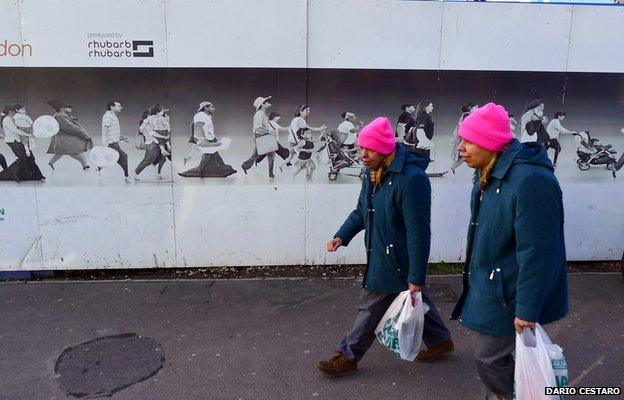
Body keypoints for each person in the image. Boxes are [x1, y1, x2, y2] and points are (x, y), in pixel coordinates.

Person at [316, 117, 453, 378]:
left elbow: (419, 232)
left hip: (396, 259)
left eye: (370, 149)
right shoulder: (372, 172)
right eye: (360, 148)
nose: (363, 154)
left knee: (370, 307)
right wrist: (342, 236)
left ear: (386, 149)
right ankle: (440, 341)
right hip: (380, 250)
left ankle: (348, 356)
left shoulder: (412, 180)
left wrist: (416, 276)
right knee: (414, 300)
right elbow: (361, 212)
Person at [450, 103, 568, 400]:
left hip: (514, 291)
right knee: (505, 359)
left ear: (490, 143)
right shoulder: (486, 172)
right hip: (494, 285)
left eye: (468, 141)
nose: (460, 148)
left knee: (487, 356)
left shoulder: (531, 181)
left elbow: (538, 252)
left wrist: (527, 310)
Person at [178, 101, 236, 178]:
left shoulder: (206, 117)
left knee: (215, 155)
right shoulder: (200, 115)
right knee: (208, 155)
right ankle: (200, 170)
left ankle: (223, 169)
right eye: (211, 107)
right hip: (204, 140)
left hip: (208, 140)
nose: (214, 109)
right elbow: (198, 128)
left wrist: (214, 139)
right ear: (205, 107)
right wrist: (201, 139)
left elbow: (195, 126)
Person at [0, 104, 45, 181]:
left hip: (19, 141)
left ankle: (38, 176)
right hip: (13, 141)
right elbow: (14, 130)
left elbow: (21, 128)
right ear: (10, 111)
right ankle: (14, 175)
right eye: (16, 111)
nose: (17, 112)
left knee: (29, 158)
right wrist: (27, 134)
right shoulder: (7, 119)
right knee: (23, 158)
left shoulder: (13, 119)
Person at [46, 99, 92, 170]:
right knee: (74, 152)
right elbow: (70, 127)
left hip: (62, 137)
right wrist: (83, 133)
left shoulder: (61, 115)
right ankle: (85, 165)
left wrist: (73, 119)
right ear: (61, 108)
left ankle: (51, 163)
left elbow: (68, 123)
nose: (70, 108)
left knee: (61, 152)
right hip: (64, 138)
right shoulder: (61, 115)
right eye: (68, 107)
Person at [280, 104, 327, 170]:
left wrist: (319, 129)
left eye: (309, 110)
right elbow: (302, 130)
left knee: (291, 156)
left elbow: (307, 128)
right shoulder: (298, 120)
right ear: (301, 111)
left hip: (293, 140)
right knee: (304, 155)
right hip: (297, 141)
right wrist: (318, 129)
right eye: (306, 110)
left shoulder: (298, 119)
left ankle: (281, 166)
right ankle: (303, 168)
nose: (309, 111)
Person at [241, 96, 278, 178]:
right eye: (267, 102)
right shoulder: (259, 114)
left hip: (265, 136)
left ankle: (270, 174)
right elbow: (258, 128)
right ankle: (245, 166)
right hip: (262, 137)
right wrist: (269, 131)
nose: (269, 103)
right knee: (258, 155)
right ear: (262, 104)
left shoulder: (263, 114)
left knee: (269, 154)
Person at [134, 105, 170, 180]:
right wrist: (164, 137)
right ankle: (135, 172)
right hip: (151, 144)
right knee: (147, 160)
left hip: (156, 142)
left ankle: (158, 173)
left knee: (162, 158)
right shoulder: (147, 122)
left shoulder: (152, 120)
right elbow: (152, 133)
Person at [102, 101, 129, 182]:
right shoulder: (108, 116)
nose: (121, 107)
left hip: (113, 141)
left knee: (115, 158)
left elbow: (112, 130)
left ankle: (100, 166)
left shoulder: (112, 116)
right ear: (112, 107)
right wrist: (104, 142)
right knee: (123, 157)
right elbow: (105, 129)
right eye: (118, 106)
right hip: (111, 142)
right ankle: (127, 176)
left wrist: (121, 138)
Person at [451, 102, 478, 174]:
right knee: (466, 155)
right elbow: (465, 127)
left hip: (463, 139)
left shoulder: (467, 115)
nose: (477, 108)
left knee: (465, 156)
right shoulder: (467, 115)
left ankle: (453, 166)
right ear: (470, 108)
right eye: (475, 107)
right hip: (463, 139)